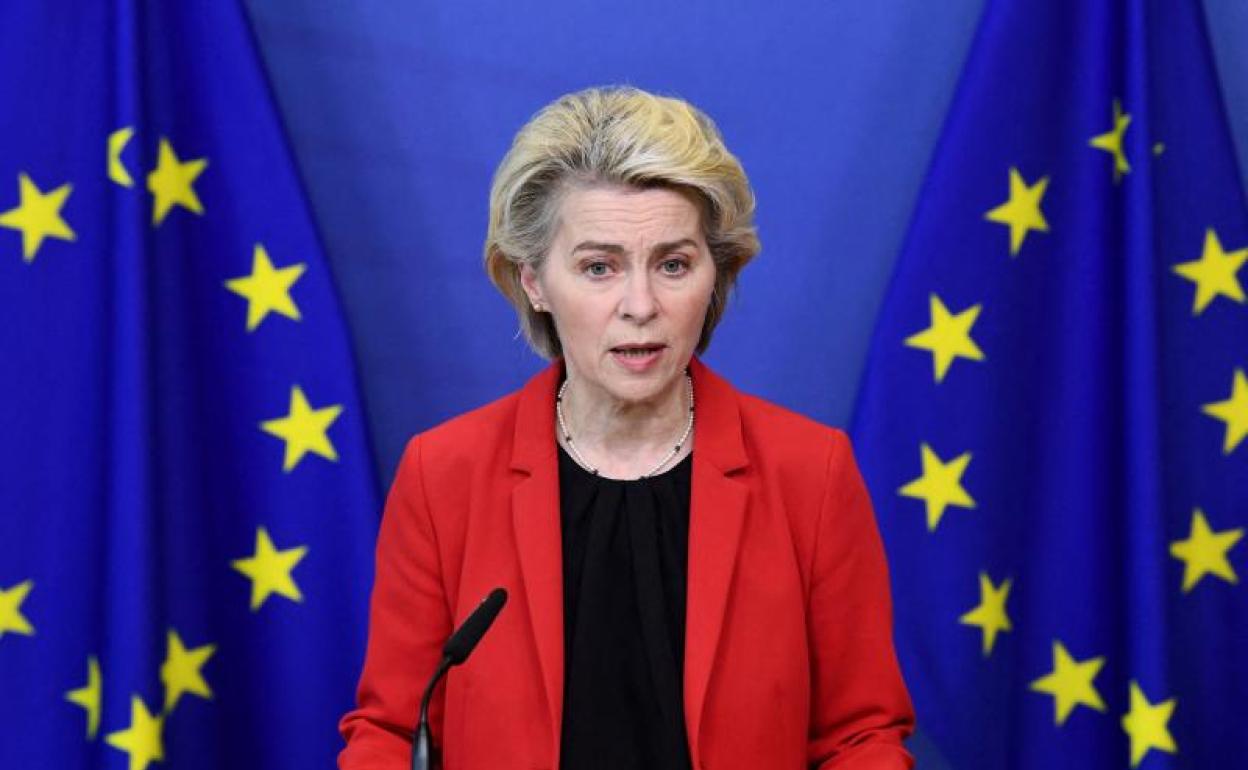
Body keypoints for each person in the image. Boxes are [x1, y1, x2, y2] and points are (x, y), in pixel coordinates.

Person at [338, 86, 914, 770]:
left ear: (715, 274)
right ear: (533, 281)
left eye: (673, 264)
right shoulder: (444, 475)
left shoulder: (810, 473)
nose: (640, 305)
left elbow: (859, 738)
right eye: (598, 267)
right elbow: (392, 732)